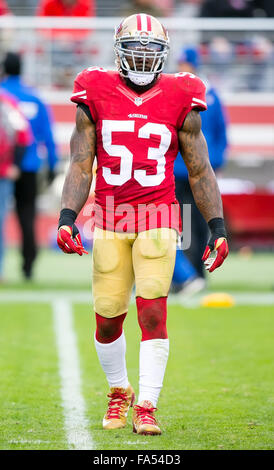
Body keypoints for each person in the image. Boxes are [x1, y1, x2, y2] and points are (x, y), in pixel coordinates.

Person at [57, 14, 229, 435]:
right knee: (108, 315)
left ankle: (147, 405)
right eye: (134, 47)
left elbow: (201, 169)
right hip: (110, 216)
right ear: (118, 50)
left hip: (159, 215)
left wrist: (218, 227)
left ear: (163, 55)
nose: (142, 55)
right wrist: (67, 217)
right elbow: (82, 162)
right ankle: (119, 391)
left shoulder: (182, 93)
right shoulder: (94, 90)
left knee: (152, 309)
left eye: (151, 49)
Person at [172, 46, 228, 294]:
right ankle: (189, 277)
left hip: (194, 170)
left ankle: (195, 275)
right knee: (185, 224)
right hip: (181, 171)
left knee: (199, 223)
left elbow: (219, 135)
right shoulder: (205, 94)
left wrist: (213, 164)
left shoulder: (201, 95)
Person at [1, 52, 59, 279]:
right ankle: (28, 264)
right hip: (30, 166)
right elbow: (48, 136)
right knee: (27, 215)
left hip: (4, 165)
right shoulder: (34, 98)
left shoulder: (3, 96)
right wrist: (53, 166)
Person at [0, 88, 32, 282]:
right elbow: (23, 135)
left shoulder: (7, 102)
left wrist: (14, 165)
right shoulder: (7, 102)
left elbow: (22, 135)